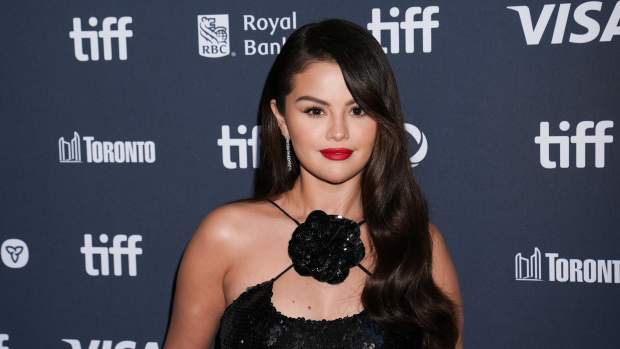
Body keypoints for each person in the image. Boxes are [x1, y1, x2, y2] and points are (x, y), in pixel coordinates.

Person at [163, 18, 463, 349]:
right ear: (282, 120)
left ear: (381, 118)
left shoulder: (421, 245)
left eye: (358, 110)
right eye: (315, 111)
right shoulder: (225, 238)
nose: (338, 132)